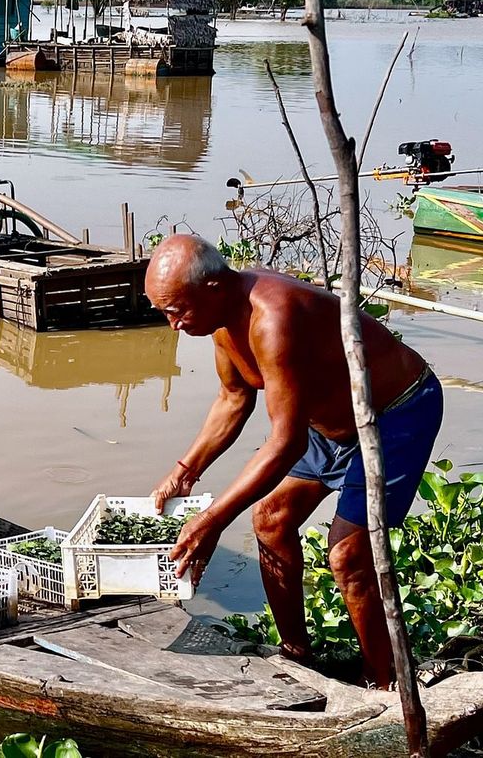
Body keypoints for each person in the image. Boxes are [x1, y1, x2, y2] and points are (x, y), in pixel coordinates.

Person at [145, 235, 443, 689]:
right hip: (330, 422)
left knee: (348, 554)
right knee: (270, 519)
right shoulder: (220, 321)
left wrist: (211, 521)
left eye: (177, 310)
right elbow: (233, 398)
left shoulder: (272, 317)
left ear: (214, 288)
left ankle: (383, 680)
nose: (173, 325)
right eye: (164, 313)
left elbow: (284, 443)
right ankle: (297, 654)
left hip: (395, 412)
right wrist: (184, 472)